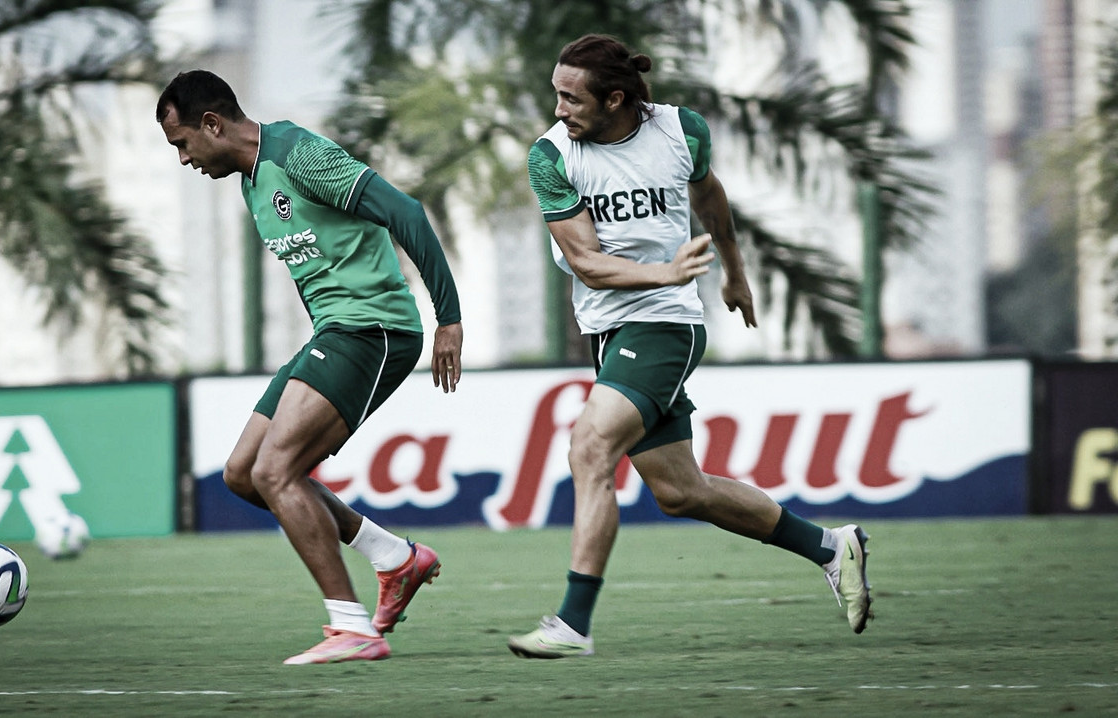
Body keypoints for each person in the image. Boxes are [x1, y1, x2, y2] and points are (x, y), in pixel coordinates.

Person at [508, 35, 872, 659]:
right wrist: (664, 270)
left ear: (615, 98)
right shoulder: (551, 155)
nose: (559, 108)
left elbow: (709, 195)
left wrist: (733, 269)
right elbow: (587, 264)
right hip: (614, 326)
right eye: (556, 95)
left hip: (665, 325)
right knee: (681, 493)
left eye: (571, 97)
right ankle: (831, 547)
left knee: (589, 447)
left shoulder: (682, 131)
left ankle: (572, 625)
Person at [156, 70, 463, 665]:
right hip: (336, 333)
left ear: (212, 124)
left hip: (372, 329)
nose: (185, 158)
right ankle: (393, 556)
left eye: (183, 143)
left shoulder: (300, 155)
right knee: (245, 473)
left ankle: (352, 627)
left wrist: (447, 319)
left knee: (277, 470)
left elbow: (407, 213)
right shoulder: (251, 181)